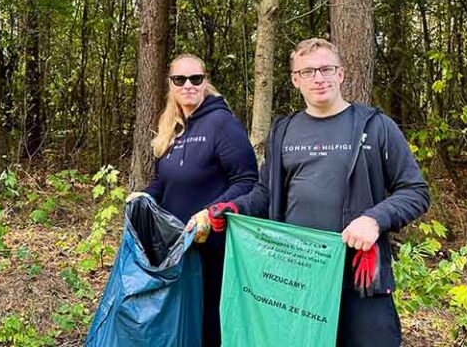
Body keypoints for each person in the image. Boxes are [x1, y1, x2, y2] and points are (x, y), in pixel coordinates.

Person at [206, 38, 430, 347]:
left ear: (341, 74)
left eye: (326, 69)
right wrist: (237, 208)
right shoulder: (283, 130)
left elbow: (415, 191)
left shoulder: (376, 126)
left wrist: (375, 220)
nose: (319, 78)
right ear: (296, 80)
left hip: (359, 277)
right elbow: (266, 193)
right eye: (308, 71)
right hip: (298, 278)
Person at [128, 53, 258, 347]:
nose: (188, 85)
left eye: (195, 79)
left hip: (212, 244)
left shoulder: (222, 124)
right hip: (177, 246)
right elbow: (163, 181)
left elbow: (248, 180)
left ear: (205, 82)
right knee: (182, 320)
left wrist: (210, 213)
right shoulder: (172, 127)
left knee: (210, 320)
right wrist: (144, 195)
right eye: (180, 79)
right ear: (171, 85)